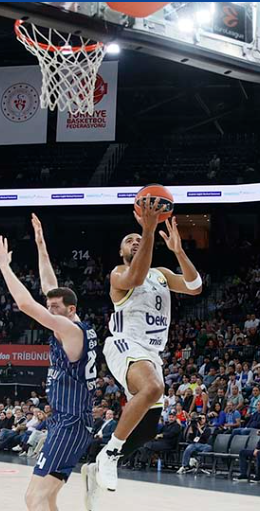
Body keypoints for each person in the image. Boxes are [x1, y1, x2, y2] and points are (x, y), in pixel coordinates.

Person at [92, 199, 203, 495]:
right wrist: (149, 232)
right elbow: (136, 276)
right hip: (124, 343)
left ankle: (102, 462)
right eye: (130, 240)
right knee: (153, 388)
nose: (135, 240)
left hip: (152, 354)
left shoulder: (163, 274)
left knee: (146, 429)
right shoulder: (117, 274)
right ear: (121, 251)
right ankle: (111, 454)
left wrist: (178, 251)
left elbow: (195, 287)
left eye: (138, 238)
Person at [0, 231, 98, 511]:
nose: (49, 312)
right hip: (69, 421)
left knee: (34, 497)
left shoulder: (72, 331)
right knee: (47, 499)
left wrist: (4, 266)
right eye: (49, 308)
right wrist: (41, 244)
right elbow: (51, 287)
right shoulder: (71, 324)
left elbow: (26, 305)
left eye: (54, 309)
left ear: (71, 310)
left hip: (71, 422)